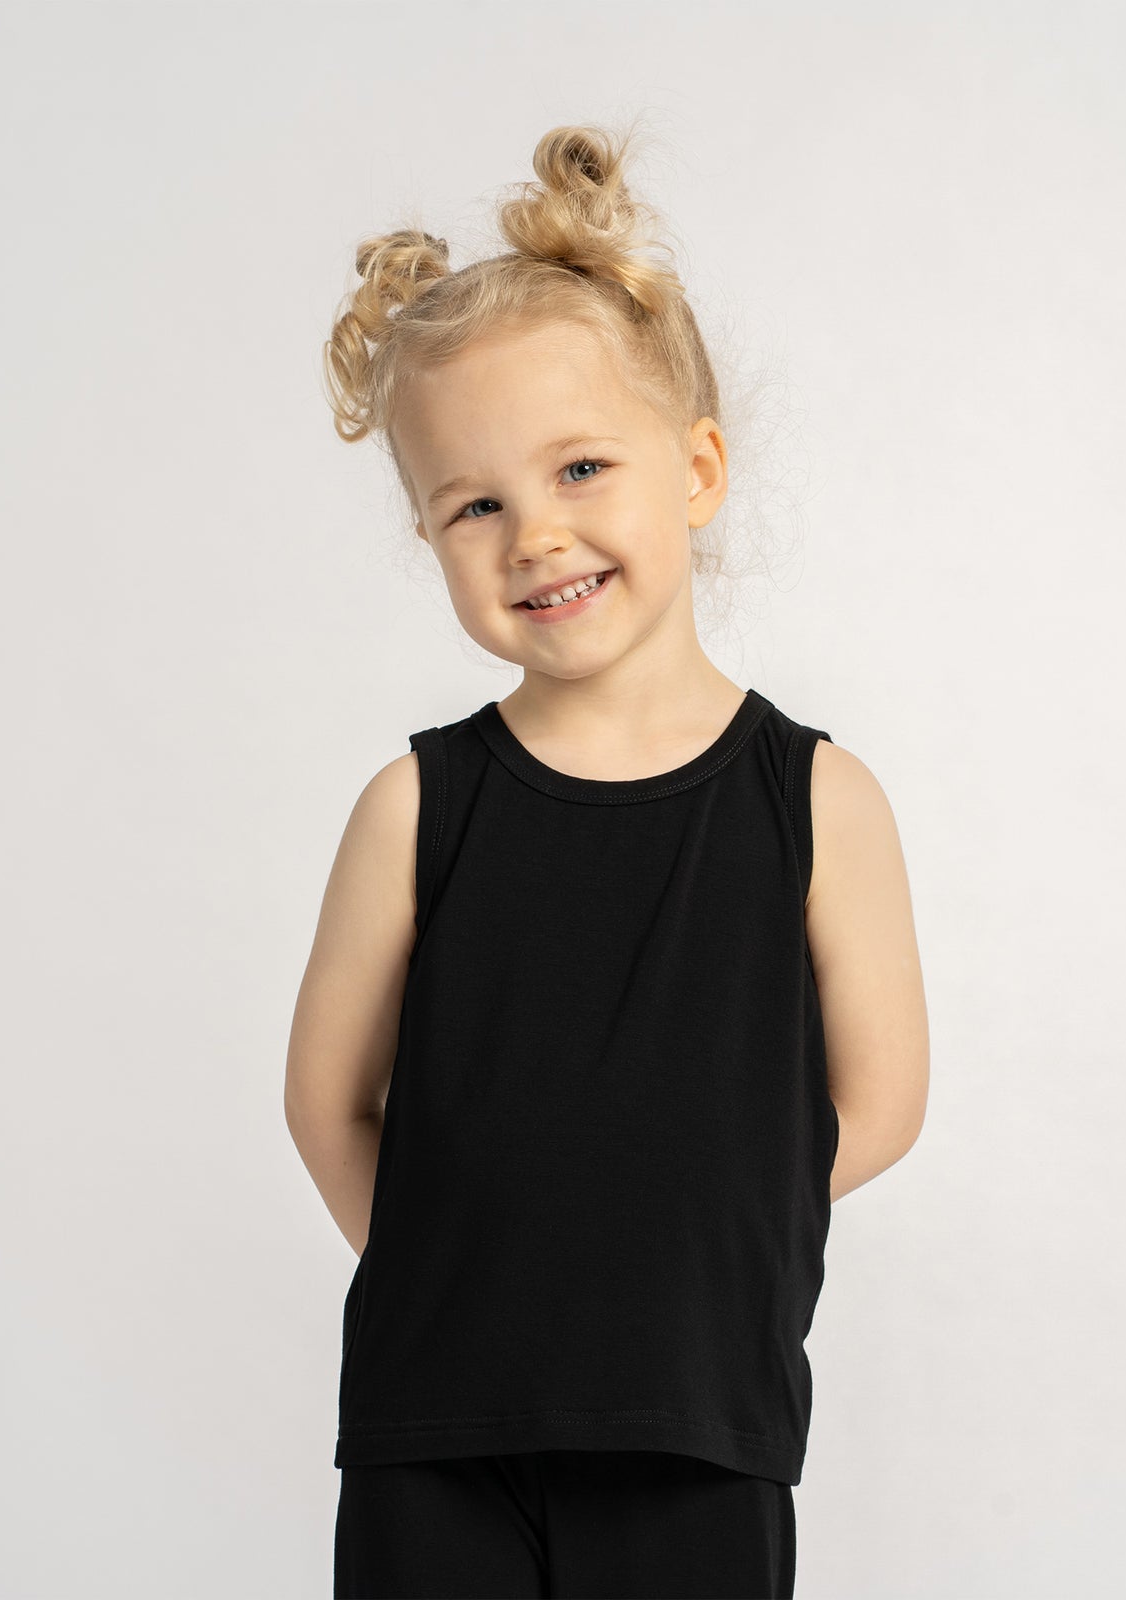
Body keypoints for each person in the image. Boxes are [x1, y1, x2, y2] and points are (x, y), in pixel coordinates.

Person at [285, 120, 930, 1599]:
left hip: (696, 1420)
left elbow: (881, 1099)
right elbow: (327, 1099)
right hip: (438, 1431)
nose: (536, 535)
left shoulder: (818, 801)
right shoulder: (414, 806)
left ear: (696, 468)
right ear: (430, 535)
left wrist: (679, 1255)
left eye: (581, 467)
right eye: (476, 505)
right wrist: (473, 1273)